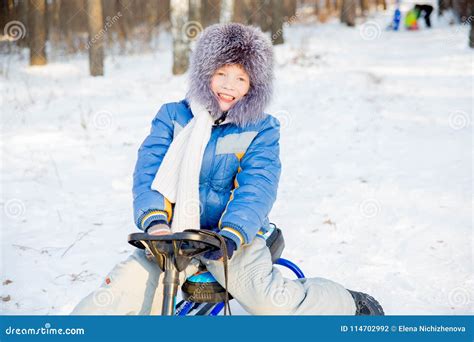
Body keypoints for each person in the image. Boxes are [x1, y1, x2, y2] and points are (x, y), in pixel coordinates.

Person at [71, 23, 383, 316]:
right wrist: (156, 224)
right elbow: (149, 172)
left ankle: (345, 303)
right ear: (204, 73)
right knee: (117, 295)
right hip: (173, 236)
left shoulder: (261, 129)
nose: (228, 86)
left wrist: (232, 235)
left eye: (240, 78)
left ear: (252, 87)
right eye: (221, 73)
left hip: (231, 240)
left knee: (272, 303)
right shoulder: (173, 117)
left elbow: (257, 185)